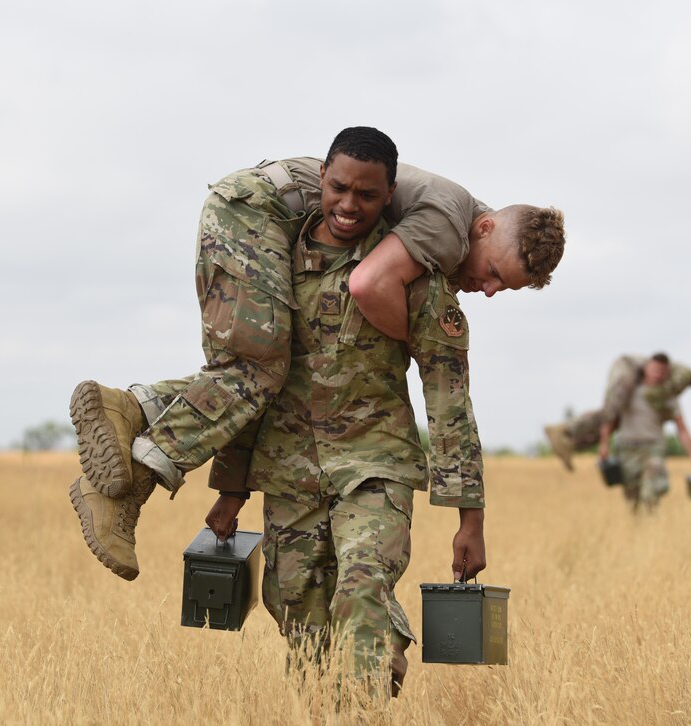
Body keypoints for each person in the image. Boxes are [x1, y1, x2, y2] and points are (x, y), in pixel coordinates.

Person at [69, 135, 566, 581]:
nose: (491, 289)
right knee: (257, 367)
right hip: (252, 213)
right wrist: (410, 337)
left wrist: (233, 490)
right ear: (484, 227)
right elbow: (368, 284)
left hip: (247, 203)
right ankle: (134, 461)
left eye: (507, 289)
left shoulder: (446, 221)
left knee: (265, 366)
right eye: (495, 272)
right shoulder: (448, 229)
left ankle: (135, 412)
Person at [193, 127, 489, 696]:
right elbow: (246, 381)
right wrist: (231, 488)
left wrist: (469, 518)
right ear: (320, 181)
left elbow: (450, 403)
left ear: (391, 196)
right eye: (338, 189)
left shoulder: (415, 280)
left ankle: (367, 698)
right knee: (296, 612)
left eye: (368, 196)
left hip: (376, 467)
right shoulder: (272, 269)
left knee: (363, 584)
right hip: (289, 473)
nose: (349, 206)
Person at [543, 354, 691, 471]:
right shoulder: (683, 377)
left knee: (616, 422)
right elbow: (655, 392)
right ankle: (565, 429)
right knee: (610, 412)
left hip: (636, 381)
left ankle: (571, 443)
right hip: (627, 370)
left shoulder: (683, 381)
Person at [596, 354, 691, 511]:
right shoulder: (628, 391)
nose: (657, 374)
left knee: (651, 494)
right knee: (631, 499)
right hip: (626, 448)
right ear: (646, 368)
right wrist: (604, 444)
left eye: (661, 371)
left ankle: (650, 527)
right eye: (654, 369)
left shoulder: (667, 397)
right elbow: (610, 417)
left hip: (652, 449)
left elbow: (682, 429)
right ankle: (637, 531)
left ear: (667, 373)